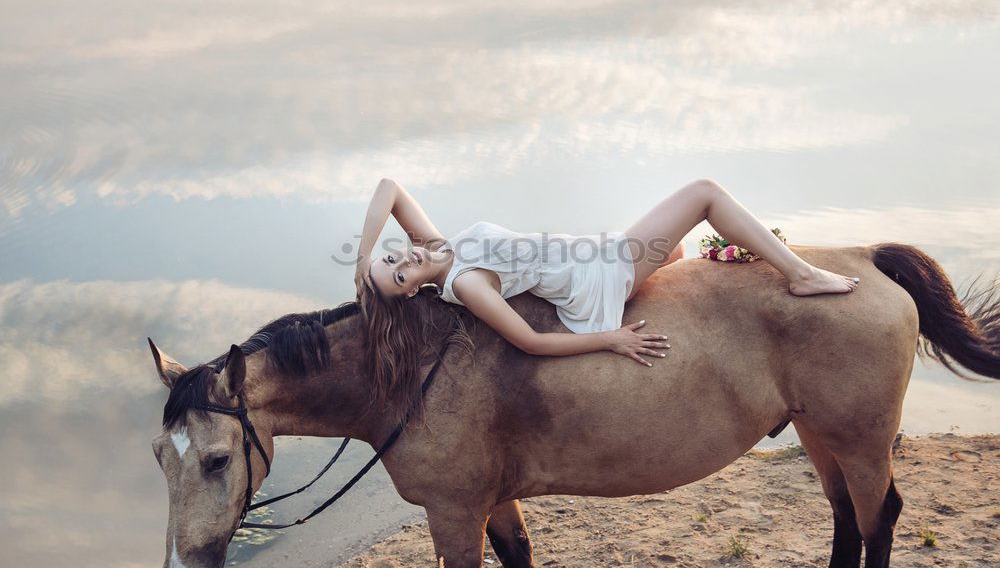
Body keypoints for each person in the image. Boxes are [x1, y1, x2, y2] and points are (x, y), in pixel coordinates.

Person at [354, 178, 858, 370]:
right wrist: (609, 340)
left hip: (589, 249)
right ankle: (801, 274)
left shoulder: (436, 247)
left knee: (678, 249)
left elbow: (390, 189)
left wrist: (362, 262)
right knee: (704, 194)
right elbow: (529, 341)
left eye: (392, 257)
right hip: (598, 272)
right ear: (413, 293)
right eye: (397, 277)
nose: (403, 263)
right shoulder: (464, 282)